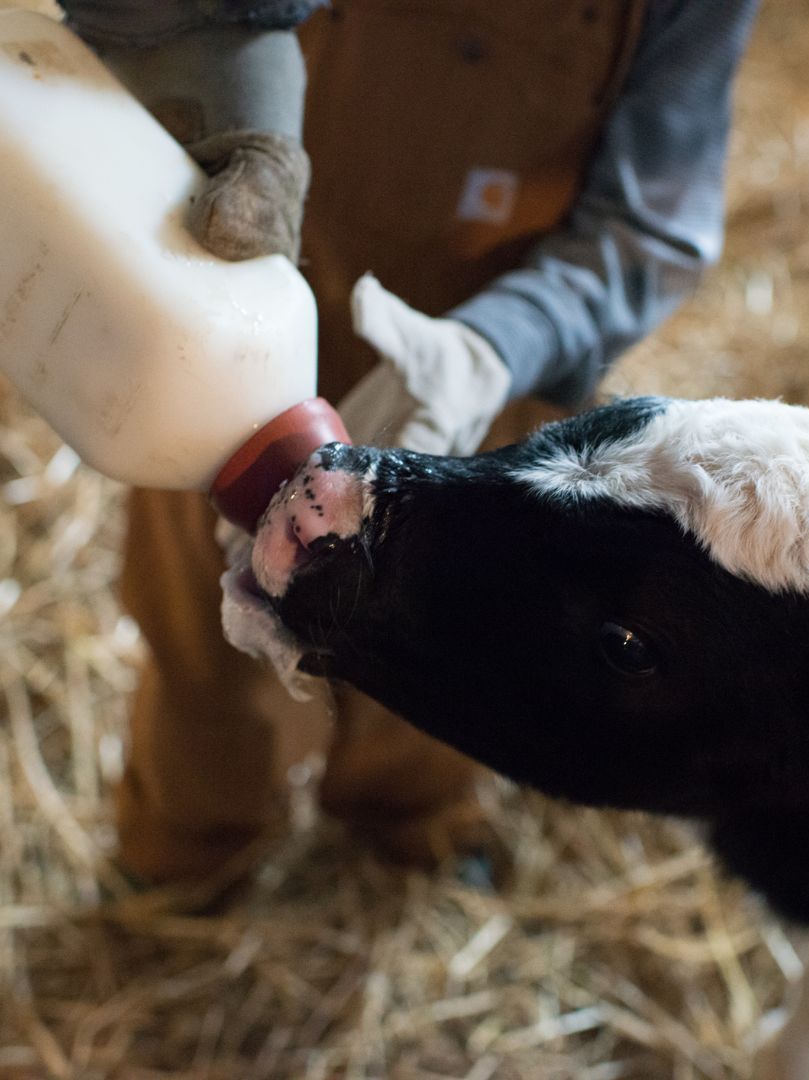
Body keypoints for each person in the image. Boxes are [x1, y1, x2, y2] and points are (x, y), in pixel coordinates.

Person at [56, 0, 759, 884]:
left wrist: (490, 350)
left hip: (483, 352)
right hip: (244, 285)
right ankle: (187, 853)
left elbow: (649, 228)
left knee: (453, 629)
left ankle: (408, 818)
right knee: (206, 628)